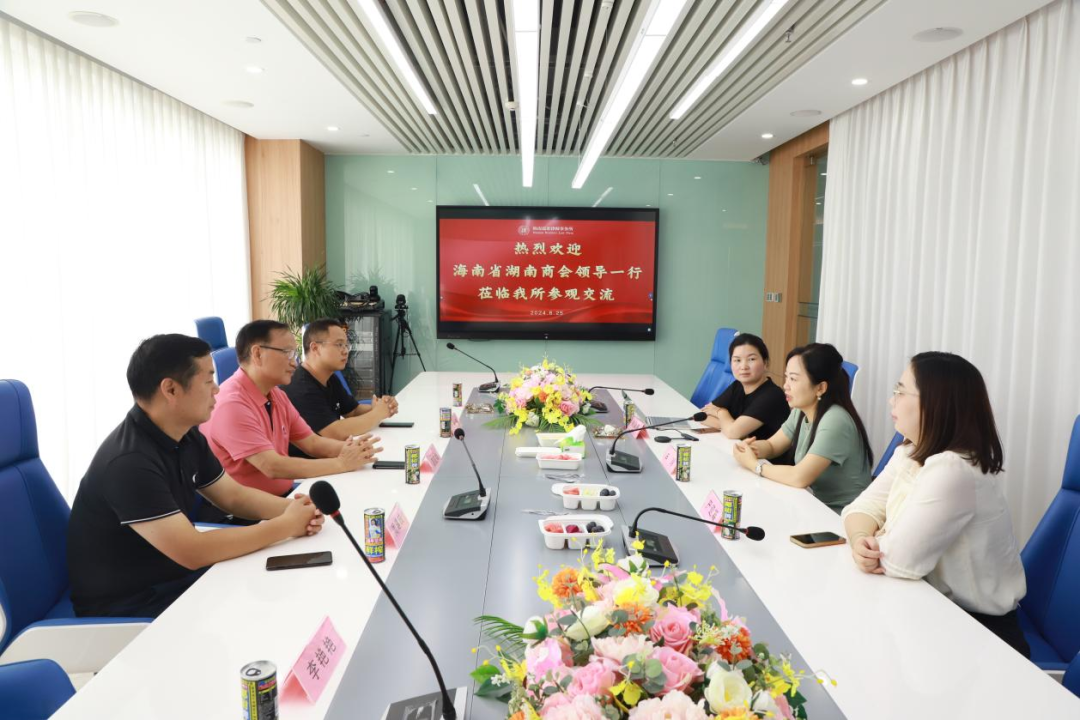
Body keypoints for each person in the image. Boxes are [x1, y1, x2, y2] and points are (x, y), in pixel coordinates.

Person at [67, 334, 324, 618]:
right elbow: (192, 552)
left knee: (281, 589)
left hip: (174, 578)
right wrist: (284, 526)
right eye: (208, 380)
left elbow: (233, 497)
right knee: (267, 610)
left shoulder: (186, 434)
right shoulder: (128, 463)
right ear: (171, 389)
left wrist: (298, 509)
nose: (217, 389)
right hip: (132, 604)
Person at [841, 352, 1028, 656]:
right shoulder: (910, 451)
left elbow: (898, 561)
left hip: (980, 635)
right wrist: (862, 539)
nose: (891, 400)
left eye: (900, 391)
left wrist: (875, 544)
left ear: (935, 403)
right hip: (931, 610)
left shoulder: (954, 469)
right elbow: (859, 509)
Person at [201, 320, 381, 497]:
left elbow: (312, 443)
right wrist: (341, 464)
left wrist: (357, 449)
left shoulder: (276, 395)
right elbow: (272, 466)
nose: (295, 362)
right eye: (287, 353)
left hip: (285, 495)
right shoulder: (232, 404)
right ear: (257, 354)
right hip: (248, 511)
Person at [733, 343, 873, 513]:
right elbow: (772, 446)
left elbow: (799, 477)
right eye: (786, 377)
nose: (785, 385)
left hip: (839, 516)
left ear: (820, 388)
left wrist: (755, 465)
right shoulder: (801, 410)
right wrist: (752, 449)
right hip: (811, 504)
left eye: (793, 379)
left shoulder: (836, 420)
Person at [283, 318, 399, 459]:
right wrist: (378, 414)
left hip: (331, 457)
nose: (345, 351)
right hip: (308, 465)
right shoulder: (301, 387)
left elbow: (353, 411)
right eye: (339, 345)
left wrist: (380, 407)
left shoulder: (329, 377)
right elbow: (334, 432)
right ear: (315, 348)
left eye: (346, 345)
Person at [700, 333, 788, 440]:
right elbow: (704, 415)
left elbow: (733, 433)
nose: (743, 367)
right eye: (737, 360)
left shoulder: (773, 395)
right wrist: (730, 427)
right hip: (737, 447)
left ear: (765, 363)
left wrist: (721, 412)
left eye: (751, 359)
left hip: (760, 451)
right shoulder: (737, 386)